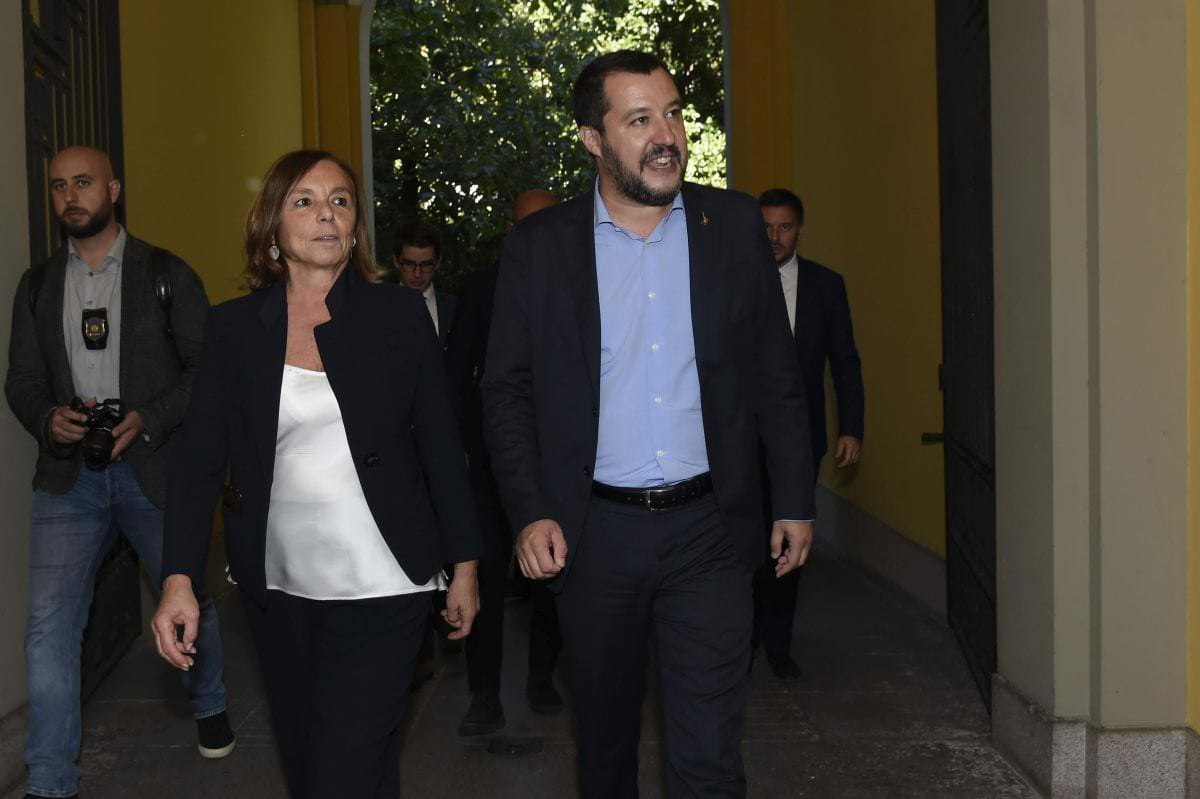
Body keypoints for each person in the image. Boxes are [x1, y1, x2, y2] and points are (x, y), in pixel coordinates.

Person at [482, 51, 817, 798]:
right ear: (592, 139)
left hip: (711, 532)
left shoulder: (733, 224)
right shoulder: (541, 247)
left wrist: (795, 497)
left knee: (708, 755)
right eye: (639, 120)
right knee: (605, 747)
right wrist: (530, 509)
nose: (666, 136)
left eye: (673, 114)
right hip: (594, 536)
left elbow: (775, 373)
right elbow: (505, 391)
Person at [150, 150, 482, 798]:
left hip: (385, 578)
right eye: (304, 200)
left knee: (343, 766)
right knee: (314, 765)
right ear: (273, 226)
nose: (326, 213)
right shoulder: (234, 328)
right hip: (278, 586)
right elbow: (198, 462)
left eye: (340, 201)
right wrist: (178, 578)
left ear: (355, 228)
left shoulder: (398, 316)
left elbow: (443, 446)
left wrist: (465, 564)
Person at [5, 145, 233, 799]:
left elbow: (208, 369)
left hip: (153, 470)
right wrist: (48, 417)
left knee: (187, 598)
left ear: (113, 189)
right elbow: (21, 379)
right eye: (58, 186)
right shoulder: (38, 285)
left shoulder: (165, 274)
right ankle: (51, 781)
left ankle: (210, 699)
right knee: (49, 628)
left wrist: (147, 418)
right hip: (68, 478)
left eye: (83, 182)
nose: (69, 196)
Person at [446, 189, 564, 737]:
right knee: (486, 580)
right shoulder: (480, 288)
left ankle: (542, 677)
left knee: (553, 581)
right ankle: (484, 697)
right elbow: (456, 380)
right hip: (489, 465)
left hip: (560, 467)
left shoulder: (583, 284)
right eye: (524, 227)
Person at [755, 188, 865, 681]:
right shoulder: (734, 279)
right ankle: (741, 638)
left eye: (785, 227)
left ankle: (779, 645)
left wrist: (852, 427)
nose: (775, 237)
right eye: (766, 227)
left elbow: (845, 362)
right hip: (740, 440)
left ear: (800, 229)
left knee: (789, 540)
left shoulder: (825, 285)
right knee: (744, 541)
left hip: (801, 440)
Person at [392, 220, 456, 346]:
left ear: (437, 263)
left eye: (426, 265)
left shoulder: (456, 310)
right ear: (396, 262)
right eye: (410, 264)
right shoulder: (378, 308)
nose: (418, 274)